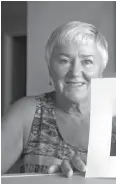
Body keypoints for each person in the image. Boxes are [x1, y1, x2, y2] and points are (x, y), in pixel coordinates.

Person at [1, 21, 108, 178]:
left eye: (87, 61)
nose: (75, 72)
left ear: (101, 71)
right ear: (50, 69)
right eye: (64, 60)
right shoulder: (25, 113)